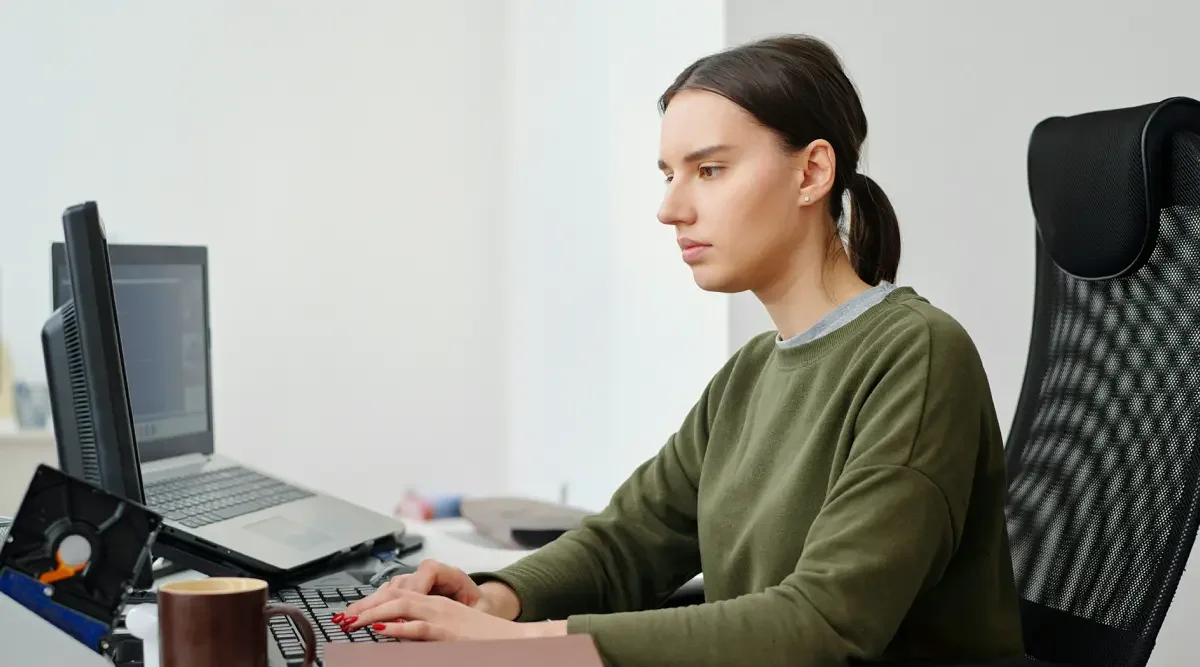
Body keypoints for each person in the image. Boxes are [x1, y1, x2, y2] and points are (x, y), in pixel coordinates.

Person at [340, 34, 1024, 666]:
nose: (670, 208)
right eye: (669, 173)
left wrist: (524, 646)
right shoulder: (751, 374)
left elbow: (824, 624)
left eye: (710, 170)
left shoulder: (919, 356)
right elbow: (629, 539)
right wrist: (496, 598)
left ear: (813, 172)